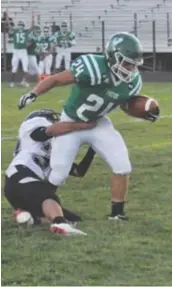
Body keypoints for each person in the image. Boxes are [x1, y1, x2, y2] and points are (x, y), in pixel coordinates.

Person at [18, 32, 160, 221]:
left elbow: (124, 103)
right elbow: (56, 79)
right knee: (59, 172)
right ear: (112, 57)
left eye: (133, 64)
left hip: (97, 123)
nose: (131, 68)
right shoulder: (92, 67)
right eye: (126, 63)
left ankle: (117, 214)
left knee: (122, 165)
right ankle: (37, 206)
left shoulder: (133, 82)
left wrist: (142, 110)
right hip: (70, 122)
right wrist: (33, 94)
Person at [4, 109, 96, 236]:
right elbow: (44, 133)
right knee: (48, 196)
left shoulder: (52, 150)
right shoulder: (34, 126)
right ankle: (60, 223)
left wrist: (93, 149)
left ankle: (30, 217)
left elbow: (78, 172)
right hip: (21, 176)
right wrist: (79, 126)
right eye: (54, 120)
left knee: (74, 218)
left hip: (22, 189)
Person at [9, 20, 30, 88]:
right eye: (19, 25)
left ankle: (24, 81)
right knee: (14, 68)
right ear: (18, 25)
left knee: (25, 68)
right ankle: (12, 82)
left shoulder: (26, 31)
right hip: (16, 51)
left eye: (22, 25)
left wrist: (33, 19)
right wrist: (7, 19)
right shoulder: (15, 30)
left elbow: (31, 28)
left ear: (23, 26)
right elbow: (10, 28)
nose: (20, 26)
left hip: (23, 51)